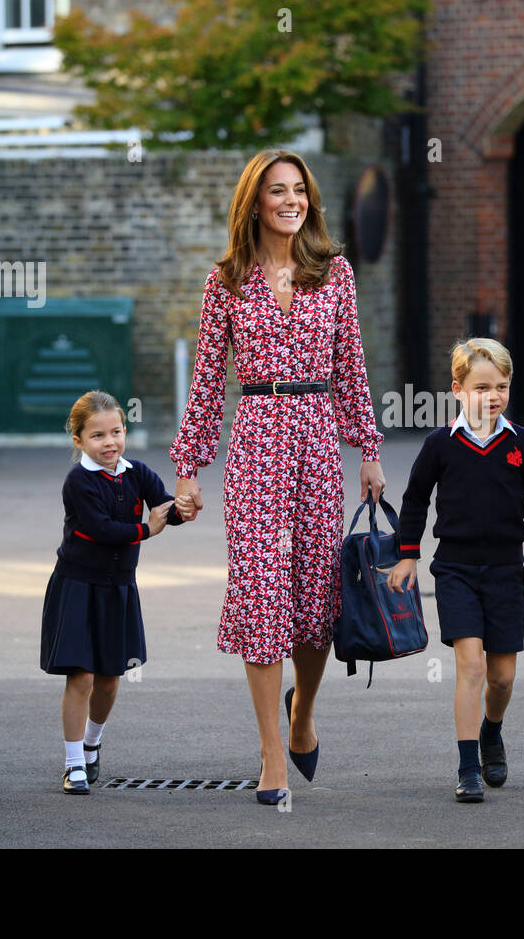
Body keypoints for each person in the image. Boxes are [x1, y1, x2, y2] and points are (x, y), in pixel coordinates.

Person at [170, 150, 386, 806]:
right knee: (263, 594)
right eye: (276, 191)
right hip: (257, 438)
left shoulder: (335, 273)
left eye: (299, 190)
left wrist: (368, 447)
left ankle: (302, 714)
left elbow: (351, 366)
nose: (290, 200)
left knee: (317, 601)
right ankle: (271, 754)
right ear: (254, 203)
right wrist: (188, 468)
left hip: (318, 436)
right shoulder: (226, 281)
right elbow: (208, 379)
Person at [388, 338, 524, 802]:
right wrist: (408, 553)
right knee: (469, 665)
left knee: (502, 677)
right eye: (482, 387)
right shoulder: (439, 445)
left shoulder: (522, 443)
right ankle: (468, 766)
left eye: (502, 386)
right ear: (457, 389)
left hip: (507, 571)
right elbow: (414, 500)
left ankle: (493, 730)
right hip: (454, 569)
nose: (493, 396)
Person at [40, 389, 185, 794]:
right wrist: (147, 529)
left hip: (118, 589)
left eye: (116, 432)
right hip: (77, 586)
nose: (109, 443)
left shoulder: (137, 472)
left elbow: (164, 505)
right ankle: (73, 765)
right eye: (98, 436)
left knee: (109, 679)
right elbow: (101, 530)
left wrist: (182, 510)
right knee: (81, 676)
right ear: (79, 441)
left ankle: (91, 744)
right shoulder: (78, 482)